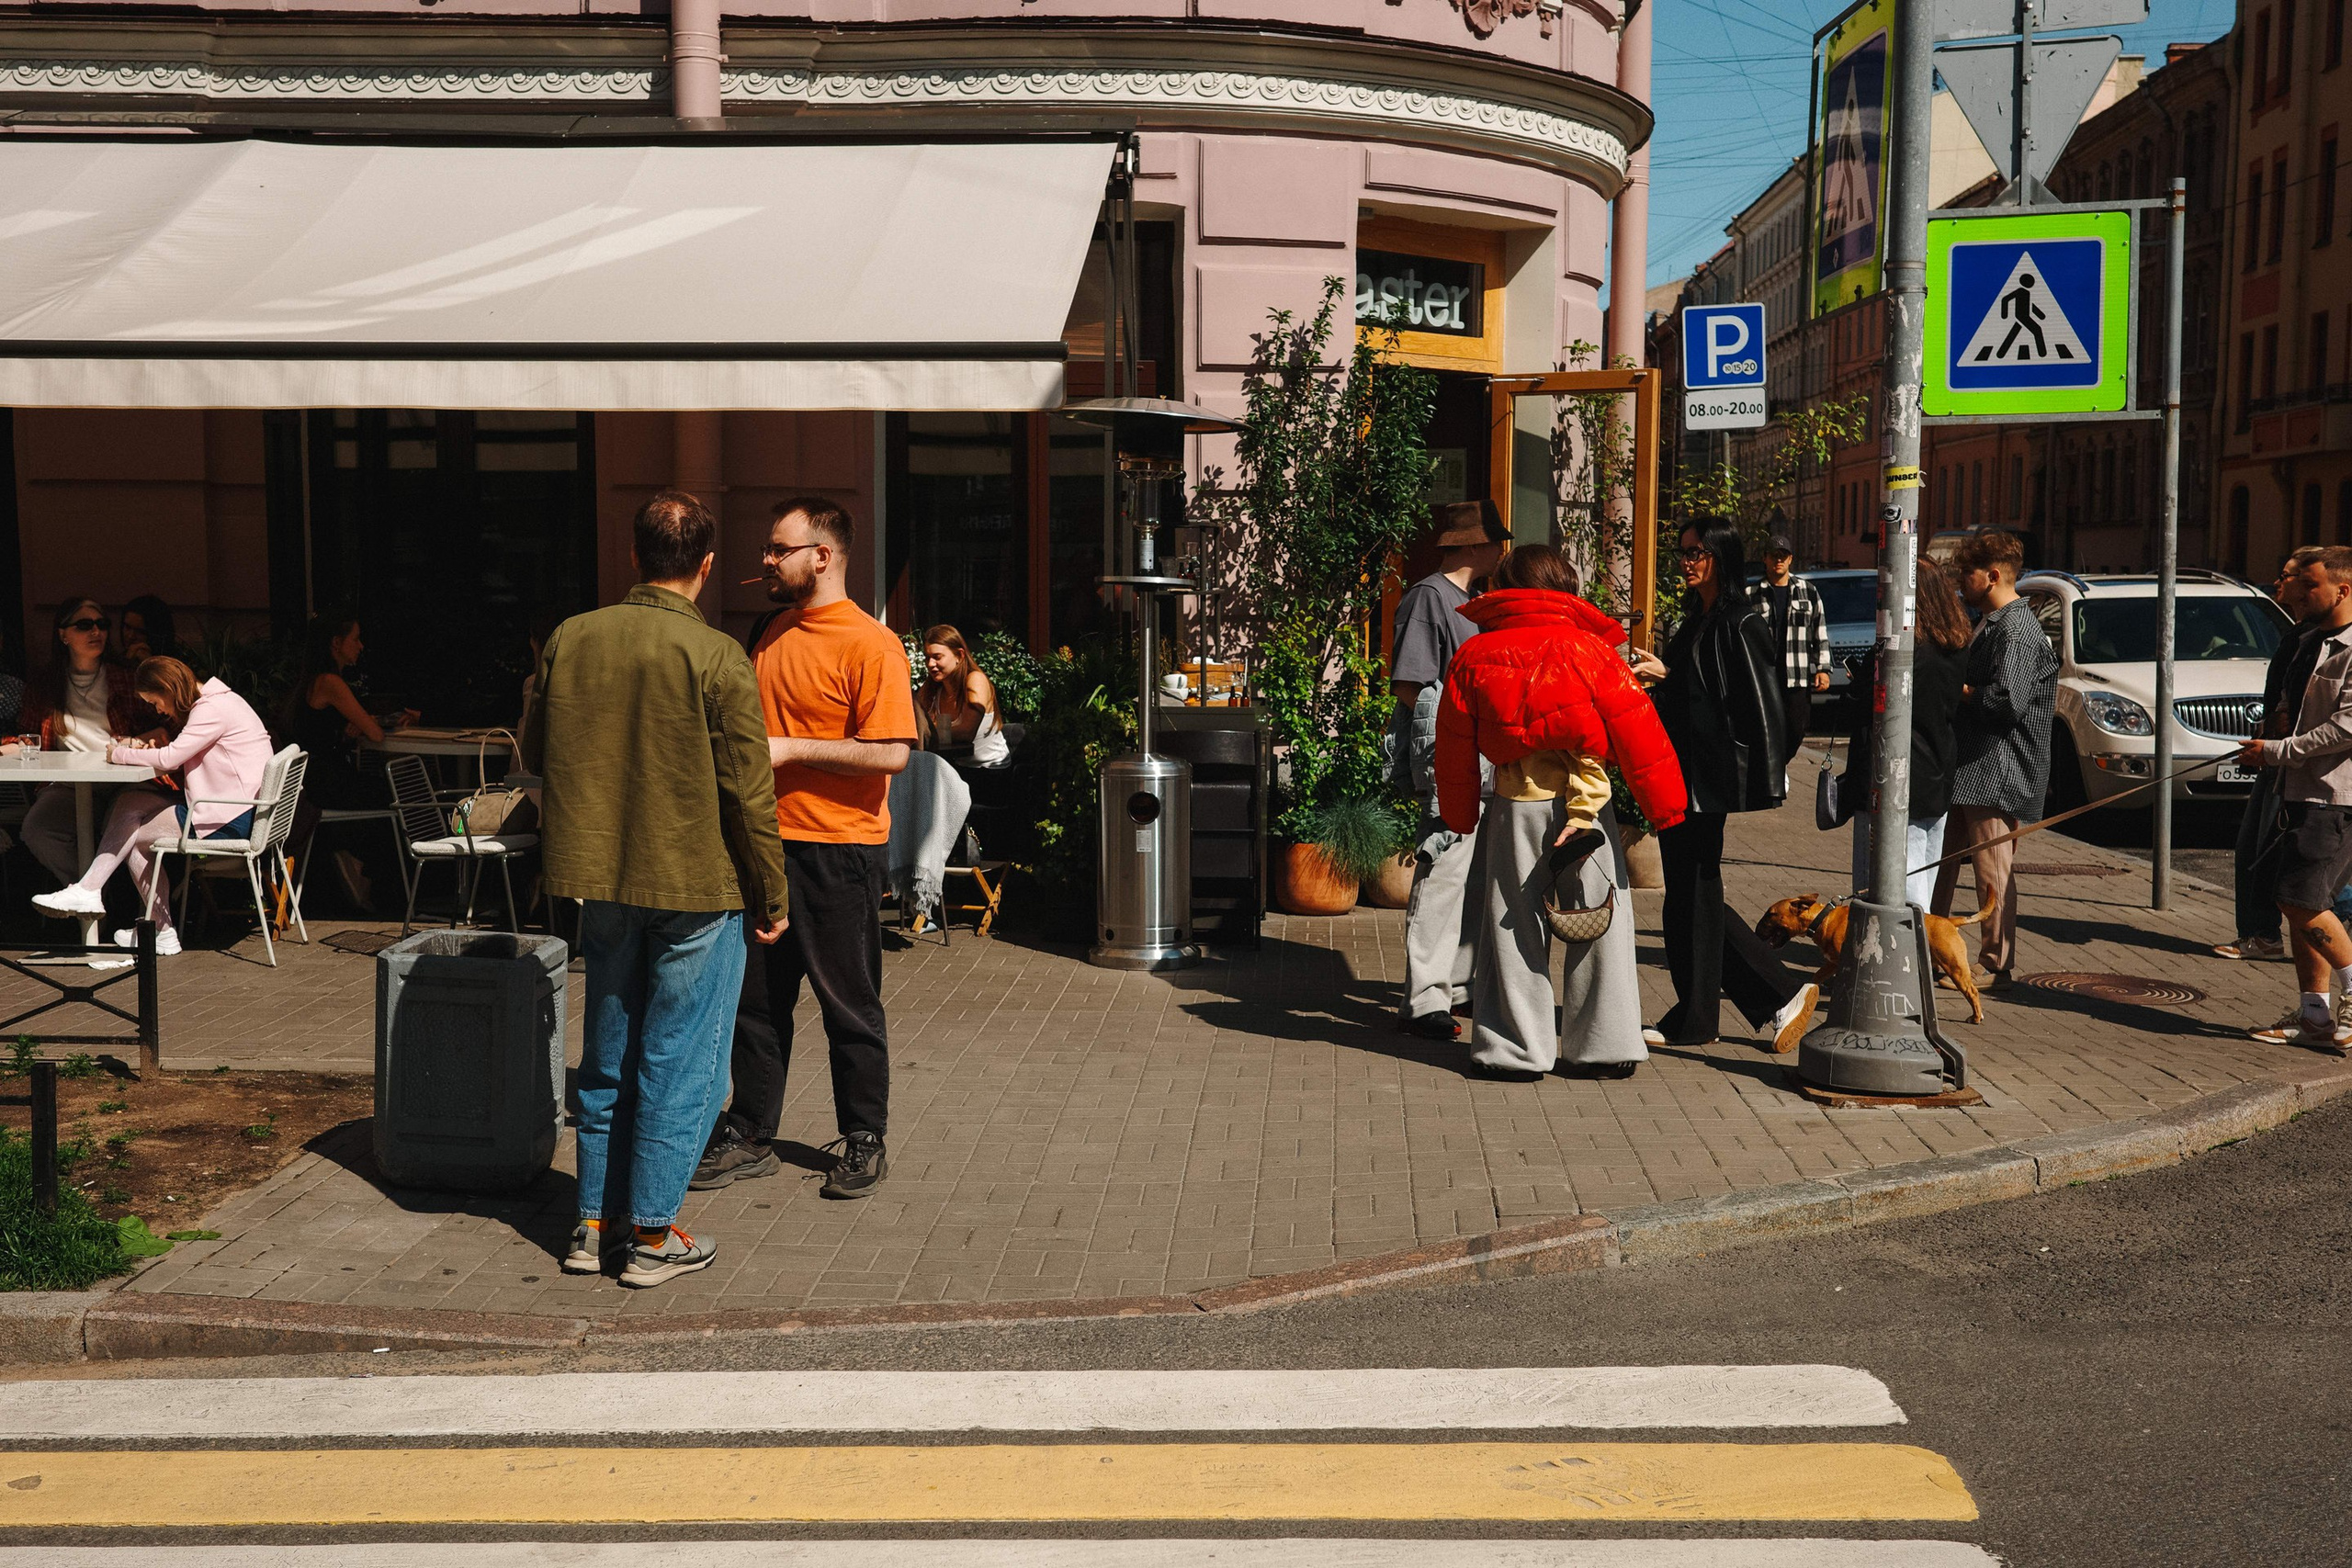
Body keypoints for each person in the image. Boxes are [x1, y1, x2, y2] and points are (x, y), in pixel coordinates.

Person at [520, 490, 790, 1290]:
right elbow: (749, 791)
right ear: (705, 566)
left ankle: (591, 1223)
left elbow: (537, 748)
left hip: (601, 875)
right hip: (696, 881)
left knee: (607, 1054)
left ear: (634, 556)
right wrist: (771, 892)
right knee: (681, 1060)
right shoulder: (715, 656)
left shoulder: (573, 637)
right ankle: (649, 1233)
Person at [695, 498, 917, 1201]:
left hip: (839, 850)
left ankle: (863, 1137)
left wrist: (791, 748)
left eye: (778, 548)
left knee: (847, 1000)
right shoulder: (769, 630)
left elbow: (891, 754)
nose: (765, 559)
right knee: (754, 1001)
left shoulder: (871, 643)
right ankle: (752, 1130)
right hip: (763, 845)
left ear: (822, 555)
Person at [1435, 545, 1687, 1079]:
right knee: (1599, 922)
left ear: (1504, 587)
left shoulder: (1474, 654)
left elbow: (1454, 743)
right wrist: (1665, 808)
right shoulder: (1589, 651)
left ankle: (1514, 1050)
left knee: (1511, 928)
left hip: (1512, 806)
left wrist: (1459, 814)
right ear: (1563, 584)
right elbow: (1639, 730)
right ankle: (1602, 1045)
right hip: (1585, 807)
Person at [1637, 521, 1815, 1052]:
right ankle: (1701, 1013)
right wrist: (1661, 677)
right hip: (1680, 773)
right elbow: (1693, 693)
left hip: (1706, 781)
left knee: (1695, 893)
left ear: (1722, 557)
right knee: (1689, 896)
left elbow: (1761, 713)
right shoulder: (1698, 619)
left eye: (1698, 552)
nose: (1687, 561)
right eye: (1684, 551)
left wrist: (1670, 681)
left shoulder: (1741, 622)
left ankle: (1774, 993)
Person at [29, 656, 271, 956]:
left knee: (130, 837)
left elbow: (171, 759)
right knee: (130, 802)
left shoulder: (211, 709)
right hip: (234, 807)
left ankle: (155, 925)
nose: (159, 710)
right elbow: (175, 755)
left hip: (227, 816)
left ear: (169, 689)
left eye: (156, 701)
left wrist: (120, 754)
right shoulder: (220, 701)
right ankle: (94, 892)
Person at [1390, 498, 1510, 1041]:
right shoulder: (1429, 599)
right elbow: (1410, 685)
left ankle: (1455, 988)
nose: (1500, 547)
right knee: (1443, 871)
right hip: (1449, 753)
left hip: (1475, 753)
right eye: (1492, 538)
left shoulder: (1469, 600)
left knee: (1472, 873)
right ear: (1467, 544)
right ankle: (1425, 999)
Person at [1930, 529, 2058, 987]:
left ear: (1994, 575)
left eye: (1968, 573)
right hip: (1973, 766)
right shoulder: (1990, 621)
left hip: (2000, 768)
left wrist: (1958, 691)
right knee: (1943, 861)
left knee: (1993, 870)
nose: (1962, 581)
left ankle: (1996, 964)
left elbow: (2007, 702)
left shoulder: (2017, 629)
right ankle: (1933, 949)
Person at [2242, 546, 2352, 1049]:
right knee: (2300, 904)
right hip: (2295, 790)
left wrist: (2278, 750)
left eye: (2310, 584)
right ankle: (2315, 1018)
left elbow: (2345, 728)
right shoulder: (2307, 640)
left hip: (2333, 797)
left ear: (2342, 589)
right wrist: (2273, 730)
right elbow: (2291, 705)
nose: (2301, 592)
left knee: (2298, 899)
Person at [2216, 547, 2326, 961]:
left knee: (2276, 856)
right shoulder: (2296, 634)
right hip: (2275, 756)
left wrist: (2280, 738)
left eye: (2290, 577)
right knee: (2253, 847)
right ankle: (2258, 934)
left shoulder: (2320, 639)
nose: (2279, 583)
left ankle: (2266, 934)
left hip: (2297, 765)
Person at [1842, 556, 1970, 908]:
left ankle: (1904, 956)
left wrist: (1862, 680)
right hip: (1936, 771)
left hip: (1894, 776)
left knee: (1890, 882)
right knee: (1923, 872)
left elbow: (1858, 703)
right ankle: (1918, 950)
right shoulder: (1953, 646)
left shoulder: (1901, 651)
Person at [17, 597, 151, 893]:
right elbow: (26, 737)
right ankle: (94, 894)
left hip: (122, 780)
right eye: (84, 625)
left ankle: (107, 899)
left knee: (128, 826)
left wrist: (141, 741)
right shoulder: (45, 684)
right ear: (63, 634)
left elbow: (161, 724)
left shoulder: (125, 678)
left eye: (102, 625)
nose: (96, 632)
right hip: (69, 784)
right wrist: (11, 746)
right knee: (37, 829)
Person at [1745, 535, 1831, 768]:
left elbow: (1819, 631)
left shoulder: (1808, 591)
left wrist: (1823, 668)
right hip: (1764, 676)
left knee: (1796, 728)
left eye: (1783, 556)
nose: (1778, 560)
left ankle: (1778, 766)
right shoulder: (1751, 594)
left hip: (1796, 675)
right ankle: (1771, 772)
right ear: (1765, 559)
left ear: (1791, 559)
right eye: (1774, 556)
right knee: (1764, 726)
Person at [914, 625, 1009, 767]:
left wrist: (927, 730)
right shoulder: (932, 689)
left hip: (988, 770)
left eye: (937, 657)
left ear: (959, 655)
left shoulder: (976, 680)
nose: (930, 664)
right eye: (927, 658)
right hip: (953, 767)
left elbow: (966, 732)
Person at [119, 596, 177, 667]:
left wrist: (149, 663)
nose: (131, 636)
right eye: (127, 628)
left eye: (140, 632)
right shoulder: (112, 664)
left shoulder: (176, 666)